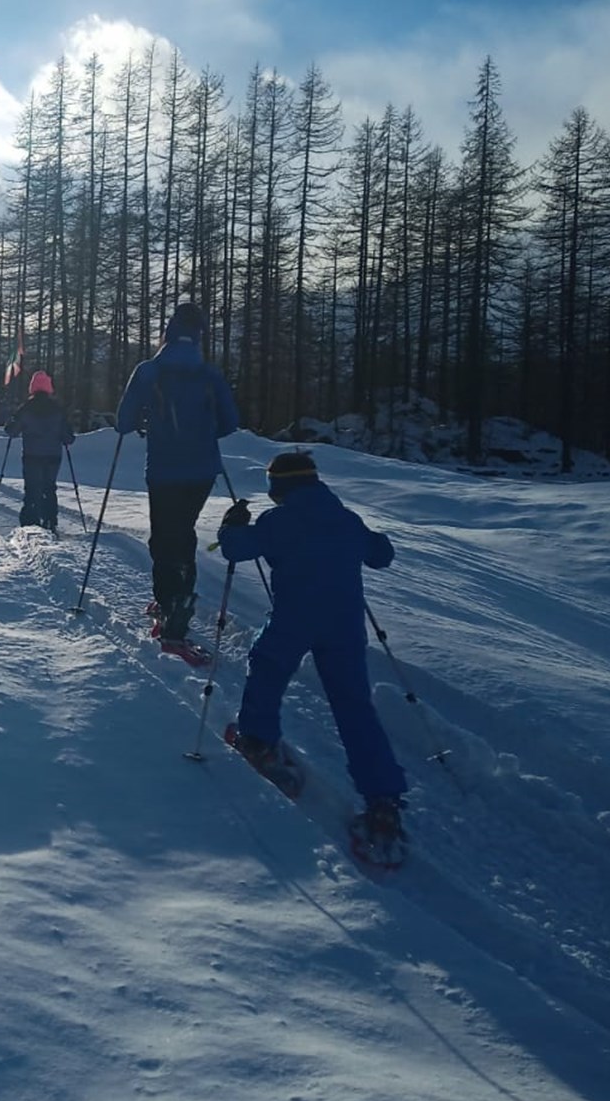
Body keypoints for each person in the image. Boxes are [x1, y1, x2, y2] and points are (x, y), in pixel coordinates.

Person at [217, 449, 408, 855]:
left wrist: (232, 525)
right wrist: (368, 539)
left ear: (280, 486)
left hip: (295, 618)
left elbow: (235, 549)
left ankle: (258, 739)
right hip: (345, 626)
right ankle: (383, 800)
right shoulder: (346, 519)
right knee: (354, 705)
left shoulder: (279, 520)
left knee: (267, 667)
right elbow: (382, 555)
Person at [113, 303, 240, 647]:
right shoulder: (209, 374)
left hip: (164, 469)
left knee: (164, 537)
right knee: (182, 531)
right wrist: (202, 431)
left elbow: (122, 423)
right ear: (198, 336)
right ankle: (179, 595)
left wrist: (145, 420)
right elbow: (230, 423)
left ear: (167, 332)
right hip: (203, 470)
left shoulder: (148, 371)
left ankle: (172, 604)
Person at [4, 370, 74, 531]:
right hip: (53, 456)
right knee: (49, 487)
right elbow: (69, 437)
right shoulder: (57, 410)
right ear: (49, 388)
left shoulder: (25, 408)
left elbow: (12, 431)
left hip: (32, 455)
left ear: (32, 388)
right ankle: (50, 519)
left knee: (32, 487)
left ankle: (30, 521)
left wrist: (11, 420)